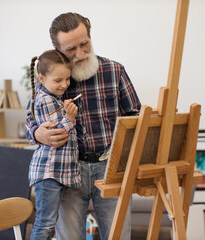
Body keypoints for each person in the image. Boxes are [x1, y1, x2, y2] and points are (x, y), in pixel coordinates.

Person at [26, 12, 142, 239]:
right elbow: (31, 120)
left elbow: (135, 115)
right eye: (70, 49)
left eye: (84, 44)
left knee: (118, 235)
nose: (80, 54)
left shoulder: (115, 71)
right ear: (56, 48)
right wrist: (38, 134)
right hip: (66, 172)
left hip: (110, 167)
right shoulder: (51, 78)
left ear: (90, 37)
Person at [27, 50, 81, 240]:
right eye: (58, 80)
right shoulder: (46, 100)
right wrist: (70, 117)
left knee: (49, 222)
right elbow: (59, 133)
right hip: (49, 172)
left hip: (55, 172)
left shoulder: (49, 96)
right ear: (41, 78)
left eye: (67, 79)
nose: (65, 85)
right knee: (45, 223)